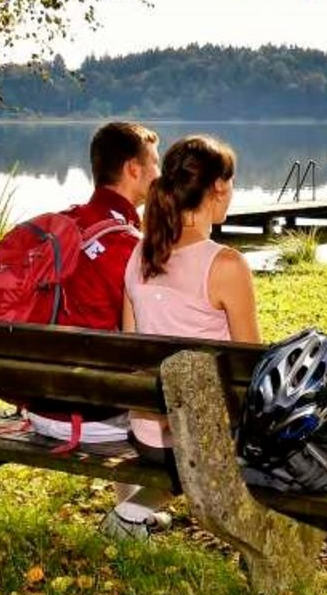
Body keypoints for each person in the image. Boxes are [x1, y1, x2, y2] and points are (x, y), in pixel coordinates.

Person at [107, 135, 260, 538]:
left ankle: (133, 511)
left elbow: (131, 349)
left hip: (147, 436)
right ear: (219, 187)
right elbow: (250, 368)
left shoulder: (140, 254)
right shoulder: (226, 264)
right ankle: (130, 513)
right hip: (202, 442)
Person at [23, 120, 159, 445]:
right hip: (93, 415)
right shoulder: (128, 246)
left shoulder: (63, 226)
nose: (160, 173)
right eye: (155, 163)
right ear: (133, 169)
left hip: (39, 405)